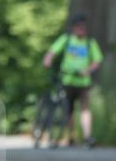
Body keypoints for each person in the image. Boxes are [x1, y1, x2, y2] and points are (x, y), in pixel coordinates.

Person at [42, 13, 103, 147]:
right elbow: (52, 51)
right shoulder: (67, 39)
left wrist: (88, 70)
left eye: (83, 27)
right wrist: (48, 59)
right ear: (74, 28)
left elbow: (97, 61)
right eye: (79, 27)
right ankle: (72, 135)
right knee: (68, 109)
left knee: (85, 108)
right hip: (67, 80)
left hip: (83, 82)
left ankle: (87, 136)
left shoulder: (89, 42)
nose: (82, 30)